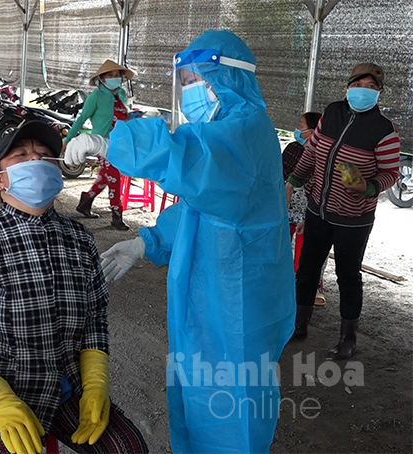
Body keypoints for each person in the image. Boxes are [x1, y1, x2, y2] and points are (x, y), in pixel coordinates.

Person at [65, 30, 295, 453]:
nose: (188, 90)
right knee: (196, 393)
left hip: (237, 299)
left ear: (226, 78)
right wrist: (147, 242)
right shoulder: (225, 130)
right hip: (211, 294)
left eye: (195, 80)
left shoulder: (247, 131)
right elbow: (198, 206)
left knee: (233, 404)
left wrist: (110, 142)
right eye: (184, 80)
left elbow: (183, 158)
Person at [0, 121, 148, 454]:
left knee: (127, 449)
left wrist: (95, 384)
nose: (35, 161)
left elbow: (95, 318)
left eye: (44, 155)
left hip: (60, 386)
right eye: (20, 156)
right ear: (0, 180)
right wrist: (0, 398)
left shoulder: (80, 240)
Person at [285, 63, 400, 359]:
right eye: (360, 84)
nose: (365, 90)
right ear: (348, 87)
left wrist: (369, 186)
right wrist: (294, 180)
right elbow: (311, 151)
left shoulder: (384, 130)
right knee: (307, 268)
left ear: (380, 92)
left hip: (353, 218)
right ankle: (299, 324)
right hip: (318, 210)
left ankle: (348, 337)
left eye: (372, 87)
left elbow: (390, 172)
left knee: (348, 274)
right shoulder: (331, 113)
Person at [64, 60, 134, 230]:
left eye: (117, 75)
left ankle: (86, 201)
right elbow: (81, 119)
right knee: (114, 178)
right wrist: (67, 141)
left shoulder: (122, 94)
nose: (114, 78)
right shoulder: (95, 96)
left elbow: (127, 116)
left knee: (106, 177)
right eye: (110, 75)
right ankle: (117, 216)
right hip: (102, 144)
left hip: (120, 143)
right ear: (101, 79)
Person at [282, 111, 328, 306]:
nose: (298, 129)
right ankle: (283, 284)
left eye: (301, 125)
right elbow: (281, 174)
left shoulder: (323, 152)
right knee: (282, 245)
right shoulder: (293, 148)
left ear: (312, 131)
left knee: (307, 251)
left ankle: (312, 287)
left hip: (310, 208)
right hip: (287, 204)